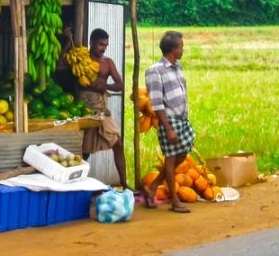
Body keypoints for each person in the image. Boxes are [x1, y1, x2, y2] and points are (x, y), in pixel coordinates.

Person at [142, 31, 195, 213]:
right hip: (169, 120)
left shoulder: (178, 66)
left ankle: (153, 186)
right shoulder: (155, 71)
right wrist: (168, 128)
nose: (183, 49)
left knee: (182, 154)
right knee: (171, 161)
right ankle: (174, 200)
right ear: (173, 50)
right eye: (181, 47)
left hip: (181, 119)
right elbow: (157, 104)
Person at [79, 28, 129, 190]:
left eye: (105, 45)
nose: (103, 48)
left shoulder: (107, 63)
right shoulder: (81, 60)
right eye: (100, 44)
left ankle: (125, 184)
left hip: (101, 110)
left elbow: (120, 85)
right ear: (92, 42)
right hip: (83, 110)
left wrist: (104, 85)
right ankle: (77, 184)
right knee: (83, 151)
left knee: (118, 143)